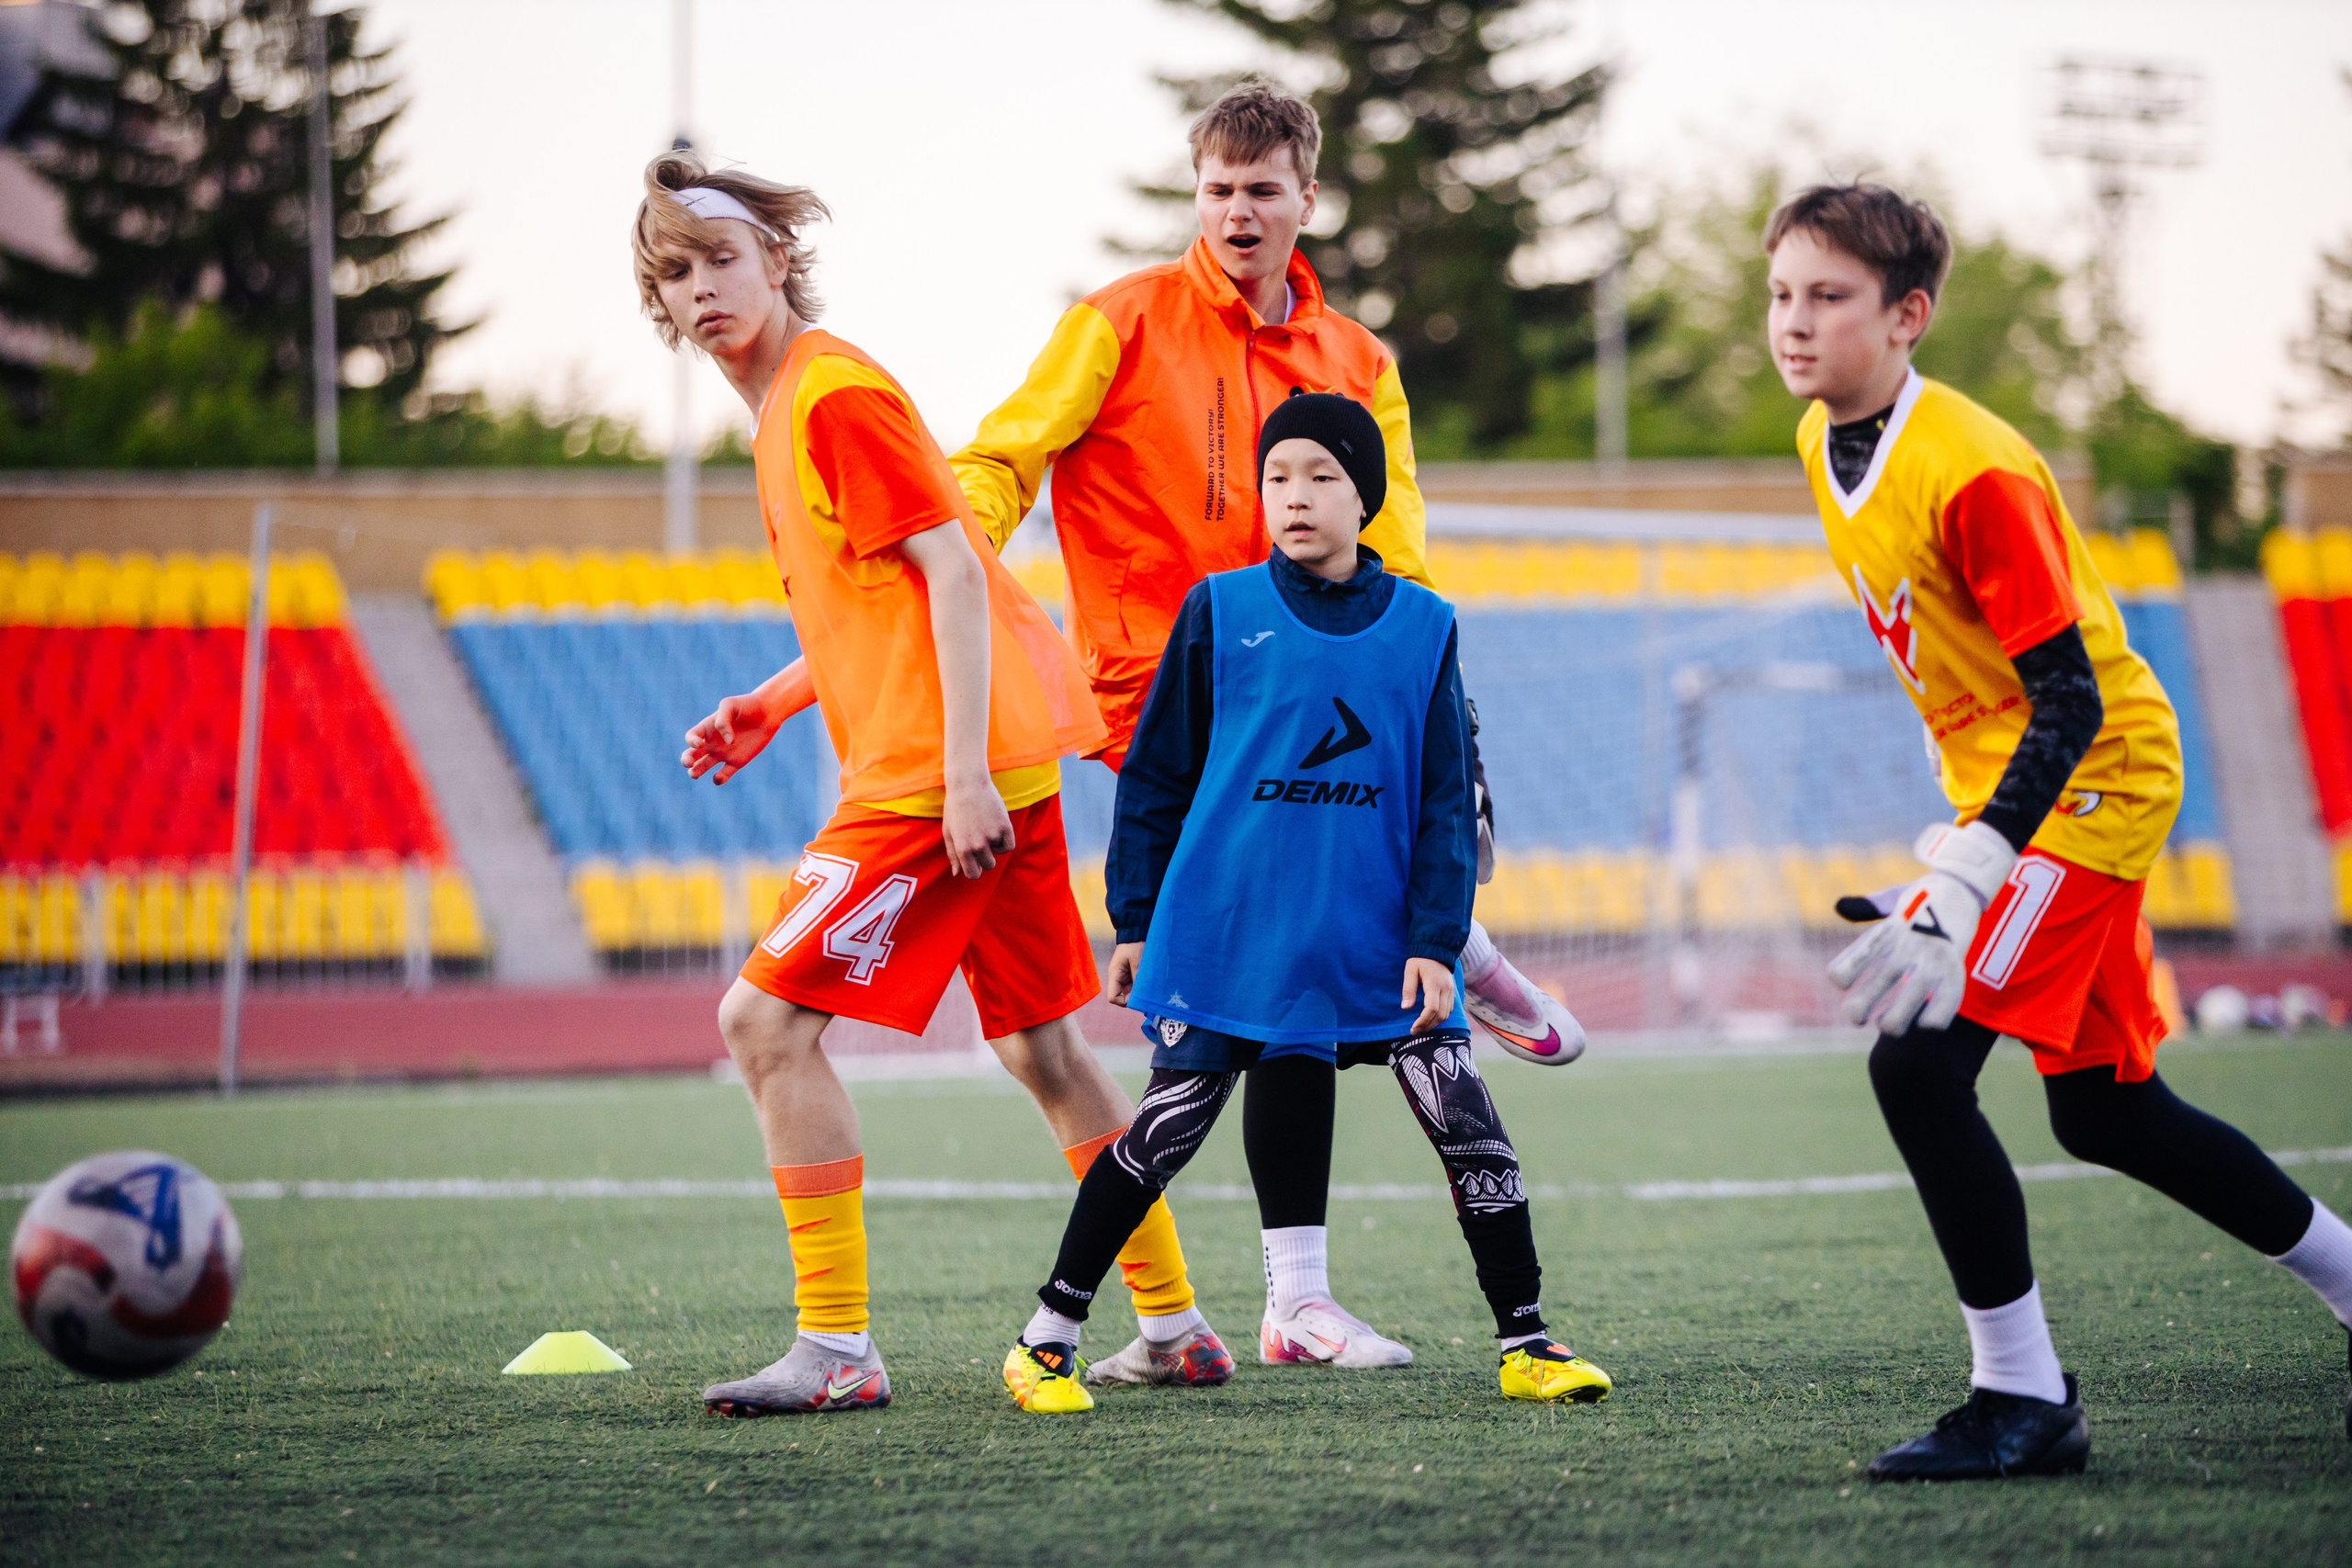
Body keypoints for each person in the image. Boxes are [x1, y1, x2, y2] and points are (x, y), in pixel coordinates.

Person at [954, 76, 1589, 1377]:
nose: (1238, 210)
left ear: (1308, 196)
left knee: (1297, 1003)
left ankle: (1288, 1299)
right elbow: (1008, 454)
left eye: (1262, 189)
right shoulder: (1118, 323)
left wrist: (1423, 683)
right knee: (1244, 1017)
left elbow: (1397, 537)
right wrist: (942, 539)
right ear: (1199, 195)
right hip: (1173, 701)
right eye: (1217, 189)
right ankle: (1459, 952)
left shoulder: (1357, 361)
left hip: (1331, 690)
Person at [1766, 182, 2352, 1480]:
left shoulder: (1972, 467)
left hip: (2093, 781)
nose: (1792, 323)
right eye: (1782, 293)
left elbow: (2074, 695)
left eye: (1829, 297)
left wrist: (1977, 869)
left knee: (1915, 1064)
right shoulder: (1821, 438)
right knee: (2108, 1112)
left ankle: (2023, 1396)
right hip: (2020, 791)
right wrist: (1967, 828)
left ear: (1909, 316)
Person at [637, 151, 1234, 1416]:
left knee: (763, 1024)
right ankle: (1175, 1322)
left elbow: (960, 572)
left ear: (778, 261)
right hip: (980, 763)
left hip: (931, 776)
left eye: (721, 260)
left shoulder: (829, 394)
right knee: (1042, 1047)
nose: (701, 289)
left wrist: (959, 775)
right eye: (675, 272)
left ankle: (838, 1347)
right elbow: (896, 595)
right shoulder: (794, 403)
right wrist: (775, 699)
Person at [1000, 393, 1614, 1414]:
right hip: (1230, 931)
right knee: (1163, 1134)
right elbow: (1154, 779)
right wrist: (1136, 918)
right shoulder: (1220, 609)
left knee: (1470, 1128)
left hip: (1376, 937)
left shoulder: (1424, 627)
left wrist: (1433, 937)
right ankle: (1046, 1338)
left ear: (1363, 497)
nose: (1295, 496)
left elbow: (1441, 808)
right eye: (1278, 476)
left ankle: (1529, 1343)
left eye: (1322, 477)